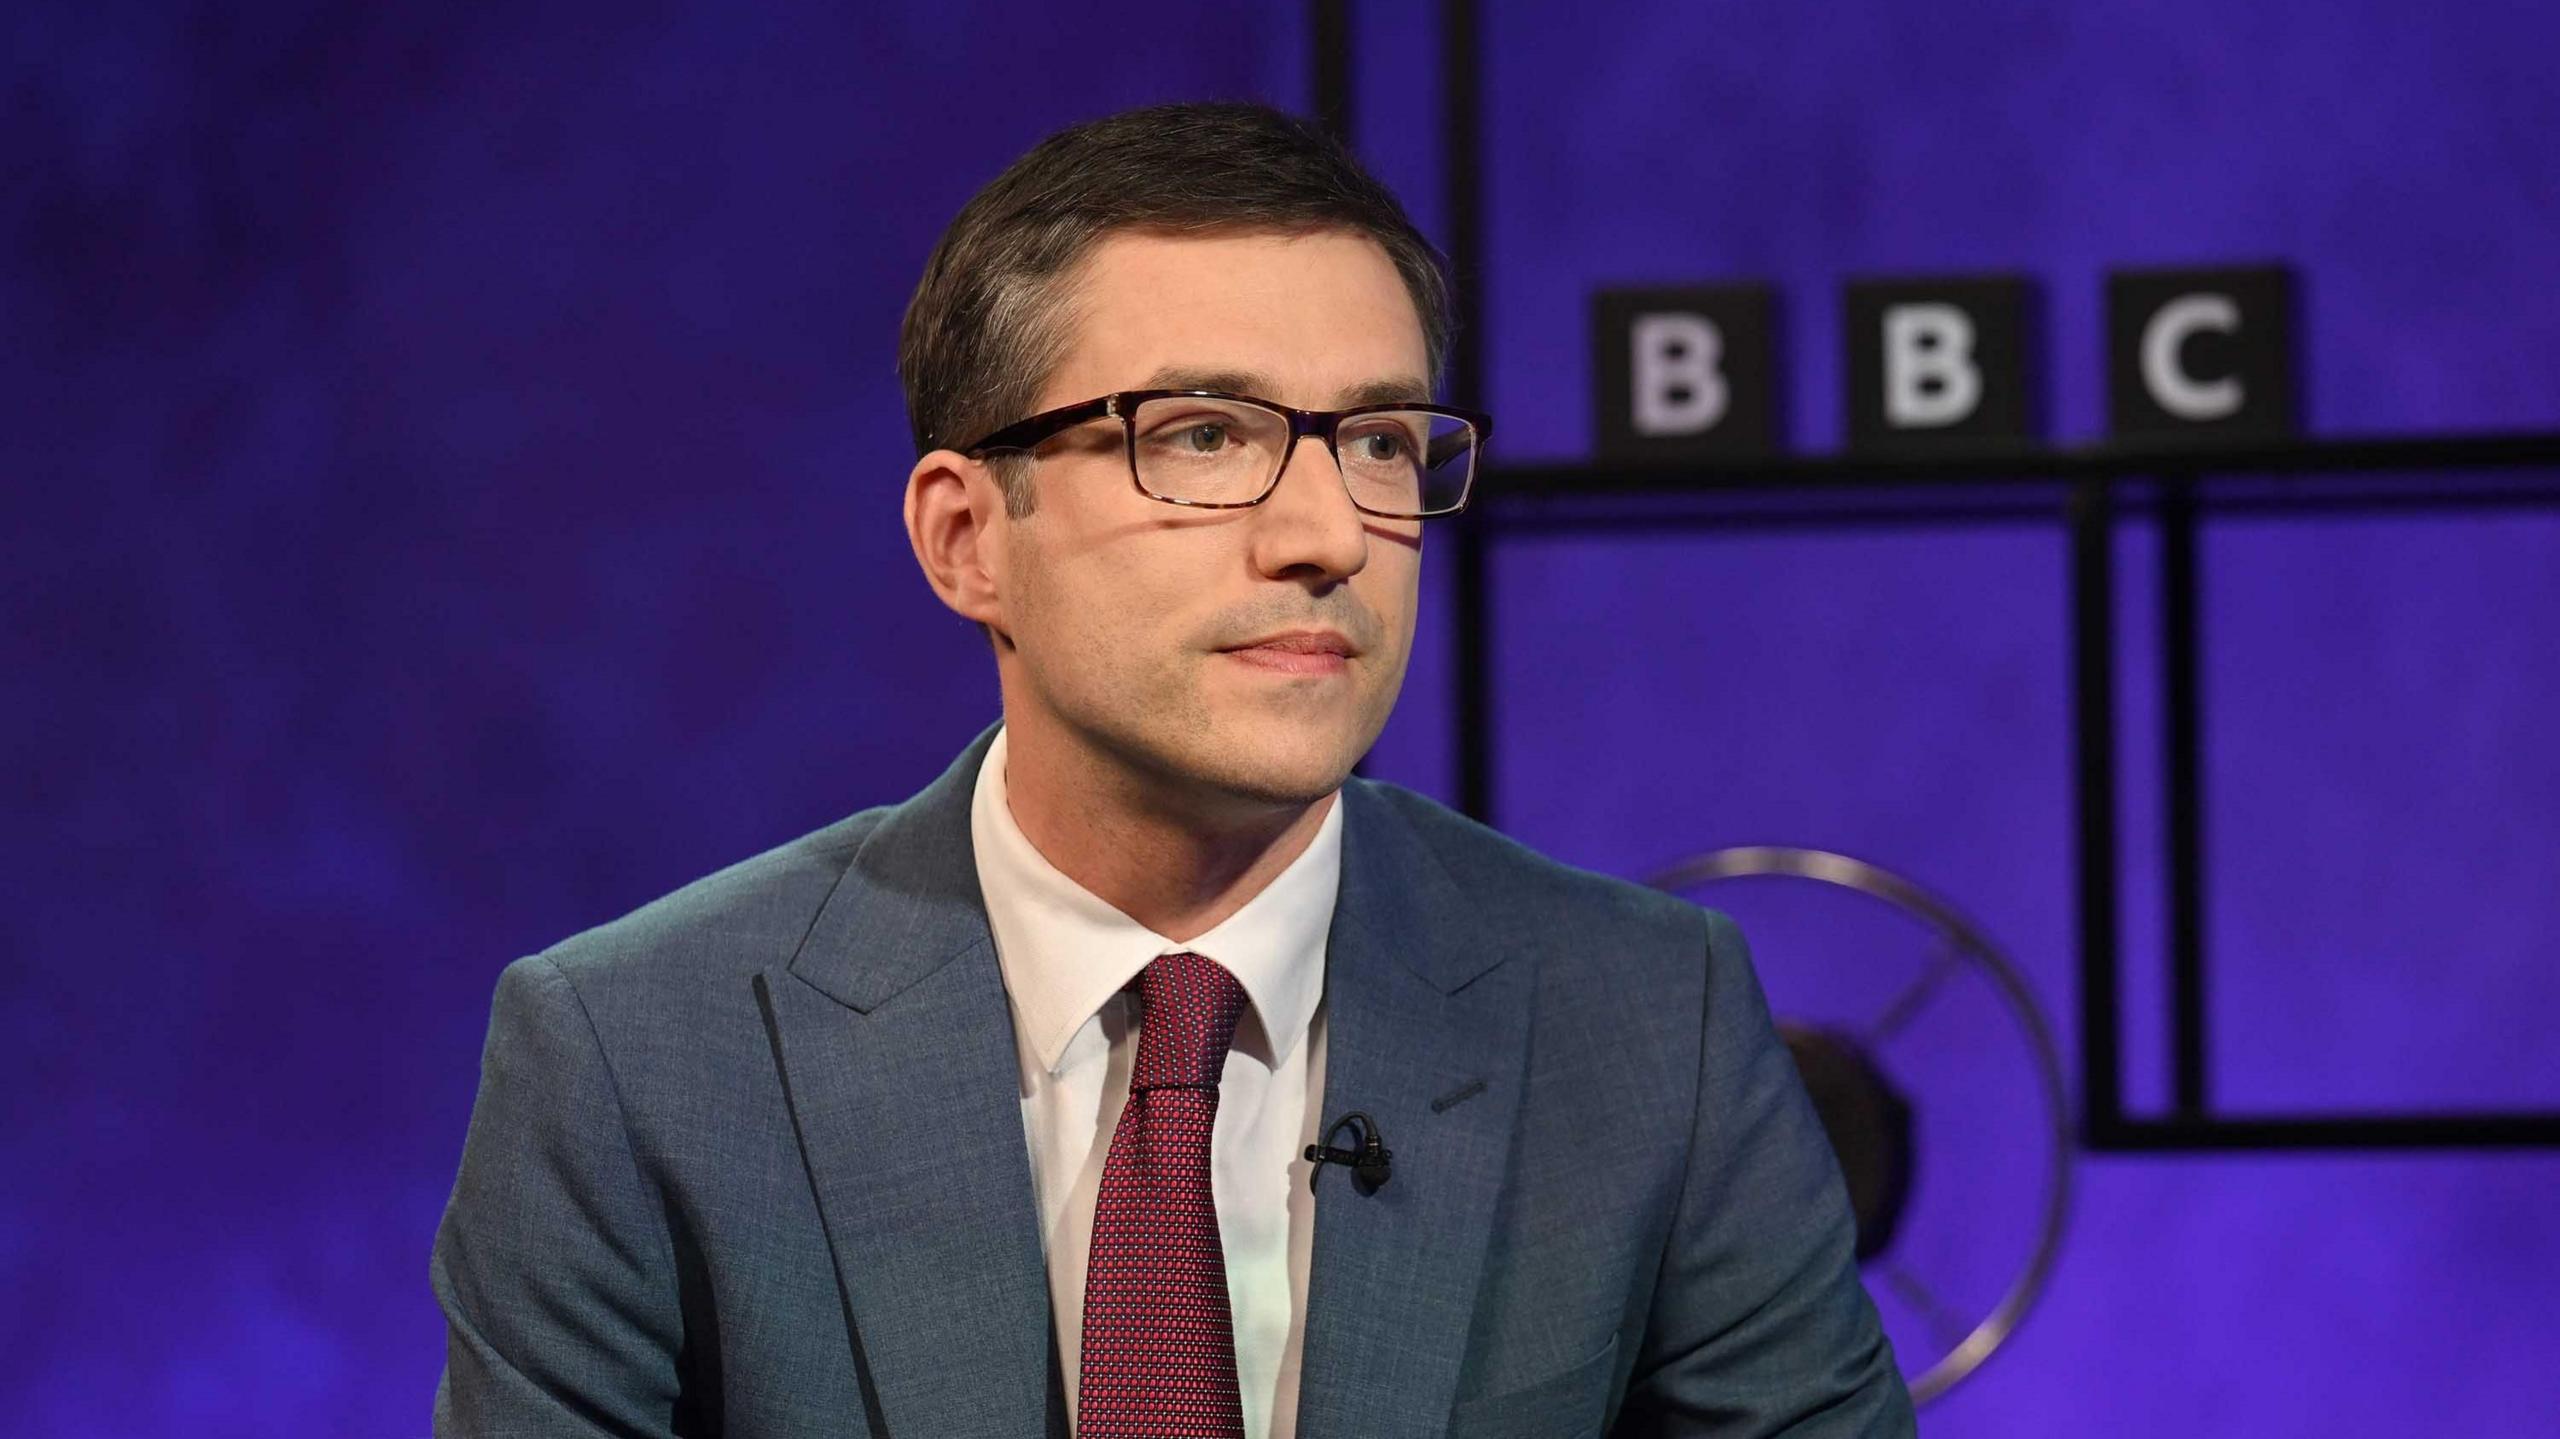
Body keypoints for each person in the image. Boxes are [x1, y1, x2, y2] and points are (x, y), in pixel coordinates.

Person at [431, 100, 1913, 1438]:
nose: (1329, 533)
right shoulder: (635, 1063)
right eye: (1205, 436)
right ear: (967, 538)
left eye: (1382, 443)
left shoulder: (1655, 1029)